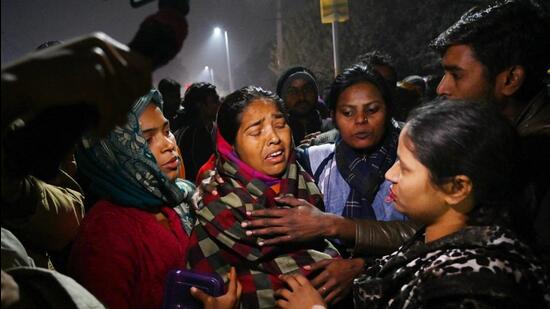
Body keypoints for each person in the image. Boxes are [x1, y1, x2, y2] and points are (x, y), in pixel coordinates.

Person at [275, 100, 550, 308]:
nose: (389, 175)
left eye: (405, 169)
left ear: (457, 188)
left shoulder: (474, 284)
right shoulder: (437, 236)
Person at [241, 65, 417, 305]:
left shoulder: (412, 162)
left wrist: (363, 266)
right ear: (332, 116)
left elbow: (425, 236)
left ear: (388, 111)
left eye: (372, 110)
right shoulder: (312, 161)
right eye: (347, 112)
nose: (361, 121)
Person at [68, 90, 239, 309]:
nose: (168, 144)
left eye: (167, 131)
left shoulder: (181, 197)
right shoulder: (104, 236)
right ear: (115, 152)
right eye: (148, 139)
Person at [187, 86, 339, 309]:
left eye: (280, 125)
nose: (274, 138)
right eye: (256, 132)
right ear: (232, 146)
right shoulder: (217, 215)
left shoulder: (308, 188)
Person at [430, 0, 550, 264]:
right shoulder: (500, 144)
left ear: (509, 80)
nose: (442, 88)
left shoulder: (529, 167)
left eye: (457, 75)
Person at [173, 82, 220, 181]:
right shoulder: (191, 135)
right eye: (214, 101)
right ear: (200, 105)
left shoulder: (216, 128)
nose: (218, 104)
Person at [276, 67, 332, 144]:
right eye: (292, 92)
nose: (301, 96)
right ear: (283, 98)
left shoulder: (335, 128)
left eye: (307, 89)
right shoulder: (277, 138)